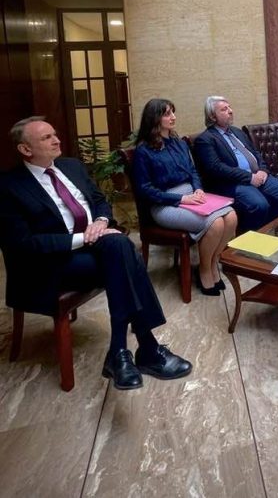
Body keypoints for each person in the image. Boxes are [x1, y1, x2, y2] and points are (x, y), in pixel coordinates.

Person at [0, 117, 192, 390]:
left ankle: (120, 352)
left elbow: (100, 201)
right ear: (25, 149)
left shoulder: (71, 166)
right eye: (46, 138)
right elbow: (24, 244)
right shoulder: (9, 186)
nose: (56, 140)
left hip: (96, 244)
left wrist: (101, 222)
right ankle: (145, 348)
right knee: (125, 256)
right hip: (51, 263)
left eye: (55, 134)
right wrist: (84, 237)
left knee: (120, 248)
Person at [132, 99, 237, 296]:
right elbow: (144, 190)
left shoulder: (179, 143)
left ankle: (212, 263)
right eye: (167, 114)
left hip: (191, 196)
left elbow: (193, 171)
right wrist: (180, 199)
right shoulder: (143, 151)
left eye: (173, 112)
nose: (173, 117)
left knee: (231, 217)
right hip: (165, 204)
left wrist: (198, 190)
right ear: (154, 118)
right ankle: (204, 271)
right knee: (216, 224)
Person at [193, 96, 278, 232]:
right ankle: (245, 236)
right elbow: (216, 168)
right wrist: (249, 178)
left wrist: (263, 170)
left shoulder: (237, 132)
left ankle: (263, 230)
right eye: (224, 109)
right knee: (259, 205)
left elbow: (255, 153)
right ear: (212, 116)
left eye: (229, 107)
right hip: (232, 183)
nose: (230, 111)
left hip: (257, 175)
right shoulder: (205, 139)